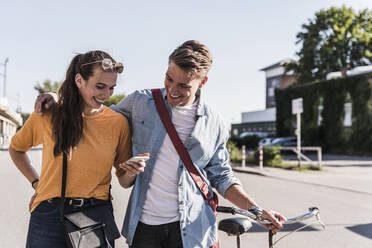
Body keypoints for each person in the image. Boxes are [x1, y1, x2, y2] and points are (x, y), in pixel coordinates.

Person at [35, 40, 286, 248]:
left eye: (183, 86)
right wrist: (59, 97)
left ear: (203, 82)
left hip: (192, 230)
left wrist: (256, 210)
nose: (172, 90)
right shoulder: (140, 102)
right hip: (144, 228)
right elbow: (95, 113)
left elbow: (222, 176)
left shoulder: (215, 122)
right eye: (168, 79)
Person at [10, 50, 142, 248]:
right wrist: (37, 184)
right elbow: (16, 149)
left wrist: (132, 173)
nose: (106, 95)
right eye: (100, 87)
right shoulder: (48, 114)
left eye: (111, 88)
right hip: (49, 216)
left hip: (95, 216)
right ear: (79, 80)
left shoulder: (118, 123)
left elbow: (123, 179)